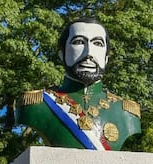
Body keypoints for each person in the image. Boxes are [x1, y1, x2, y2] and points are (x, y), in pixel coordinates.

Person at [16, 17, 141, 151]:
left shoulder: (126, 112)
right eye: (79, 42)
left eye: (97, 43)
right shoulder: (37, 104)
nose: (88, 53)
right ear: (61, 54)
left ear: (106, 58)